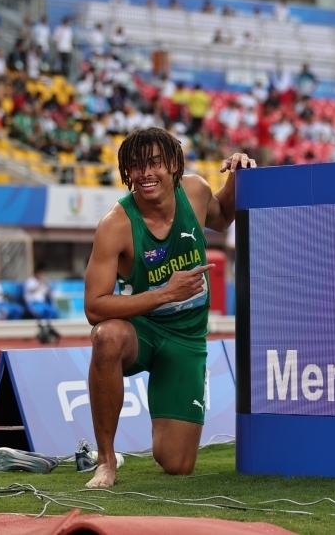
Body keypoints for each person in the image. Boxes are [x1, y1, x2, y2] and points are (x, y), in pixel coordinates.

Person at [82, 128, 253, 488]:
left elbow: (221, 217)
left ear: (174, 166)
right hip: (141, 330)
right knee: (106, 336)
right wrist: (164, 293)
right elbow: (95, 307)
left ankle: (166, 394)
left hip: (187, 338)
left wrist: (238, 176)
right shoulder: (115, 225)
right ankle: (106, 459)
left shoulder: (194, 191)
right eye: (136, 166)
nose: (145, 174)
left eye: (155, 164)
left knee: (178, 465)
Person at [24, 265, 60, 343]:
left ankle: (47, 329)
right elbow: (32, 291)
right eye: (40, 274)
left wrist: (48, 286)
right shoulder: (30, 281)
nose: (41, 275)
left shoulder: (43, 282)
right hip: (32, 303)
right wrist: (40, 284)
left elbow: (48, 294)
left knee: (53, 311)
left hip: (42, 303)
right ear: (36, 273)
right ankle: (42, 331)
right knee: (40, 312)